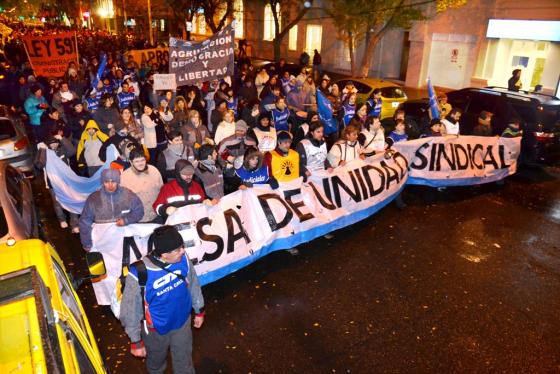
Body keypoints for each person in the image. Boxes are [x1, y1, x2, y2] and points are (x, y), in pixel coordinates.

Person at [119, 225, 205, 374]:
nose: (183, 251)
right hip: (155, 331)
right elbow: (130, 311)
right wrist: (136, 341)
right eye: (178, 249)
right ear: (164, 254)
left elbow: (193, 283)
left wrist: (199, 310)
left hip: (182, 322)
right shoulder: (139, 273)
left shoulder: (182, 258)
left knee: (184, 363)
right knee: (156, 365)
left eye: (182, 246)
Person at [79, 169, 144, 251]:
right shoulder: (93, 199)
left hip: (124, 239)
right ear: (102, 182)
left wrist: (126, 220)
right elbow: (85, 222)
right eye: (106, 182)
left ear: (118, 181)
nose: (110, 185)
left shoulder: (128, 195)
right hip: (103, 240)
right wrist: (87, 244)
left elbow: (139, 211)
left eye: (113, 182)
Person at [35, 135, 79, 232]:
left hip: (67, 182)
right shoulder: (45, 153)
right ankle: (62, 219)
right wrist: (42, 150)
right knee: (57, 202)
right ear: (48, 144)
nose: (54, 145)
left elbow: (72, 151)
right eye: (51, 143)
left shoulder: (62, 150)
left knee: (72, 200)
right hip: (53, 184)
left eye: (55, 142)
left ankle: (74, 224)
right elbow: (39, 165)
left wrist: (62, 138)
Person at [121, 149, 164, 223]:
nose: (140, 163)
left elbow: (162, 191)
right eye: (137, 161)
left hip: (156, 215)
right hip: (138, 219)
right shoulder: (124, 177)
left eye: (142, 160)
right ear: (131, 162)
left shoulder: (154, 170)